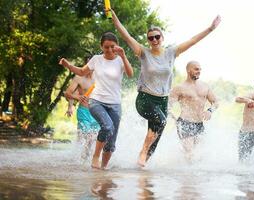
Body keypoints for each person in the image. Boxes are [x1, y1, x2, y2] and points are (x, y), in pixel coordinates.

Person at [111, 9, 221, 167]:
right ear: (148, 40)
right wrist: (115, 17)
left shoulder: (171, 52)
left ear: (162, 38)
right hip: (145, 98)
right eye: (151, 38)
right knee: (161, 122)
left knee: (157, 134)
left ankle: (142, 166)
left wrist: (210, 28)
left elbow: (193, 40)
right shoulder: (143, 52)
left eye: (157, 36)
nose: (154, 40)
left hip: (162, 100)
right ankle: (142, 152)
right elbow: (127, 36)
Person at [59, 32, 134, 169]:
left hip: (115, 104)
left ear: (117, 46)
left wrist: (123, 56)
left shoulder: (120, 60)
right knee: (107, 126)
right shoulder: (96, 59)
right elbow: (81, 72)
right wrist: (68, 65)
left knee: (111, 141)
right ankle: (95, 157)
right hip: (97, 101)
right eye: (106, 47)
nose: (110, 50)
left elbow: (130, 74)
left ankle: (103, 168)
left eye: (113, 46)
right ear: (101, 46)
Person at [169, 61, 218, 160]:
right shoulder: (179, 88)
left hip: (199, 125)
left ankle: (181, 169)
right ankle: (185, 175)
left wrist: (210, 111)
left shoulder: (205, 86)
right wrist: (174, 119)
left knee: (199, 156)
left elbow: (216, 102)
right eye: (196, 69)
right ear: (188, 70)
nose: (199, 71)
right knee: (190, 155)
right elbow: (167, 106)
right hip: (185, 123)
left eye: (200, 69)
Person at [64, 71, 100, 160]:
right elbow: (71, 93)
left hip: (97, 112)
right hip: (84, 112)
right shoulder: (79, 78)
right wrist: (70, 107)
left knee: (94, 138)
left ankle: (88, 157)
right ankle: (81, 158)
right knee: (87, 136)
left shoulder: (100, 77)